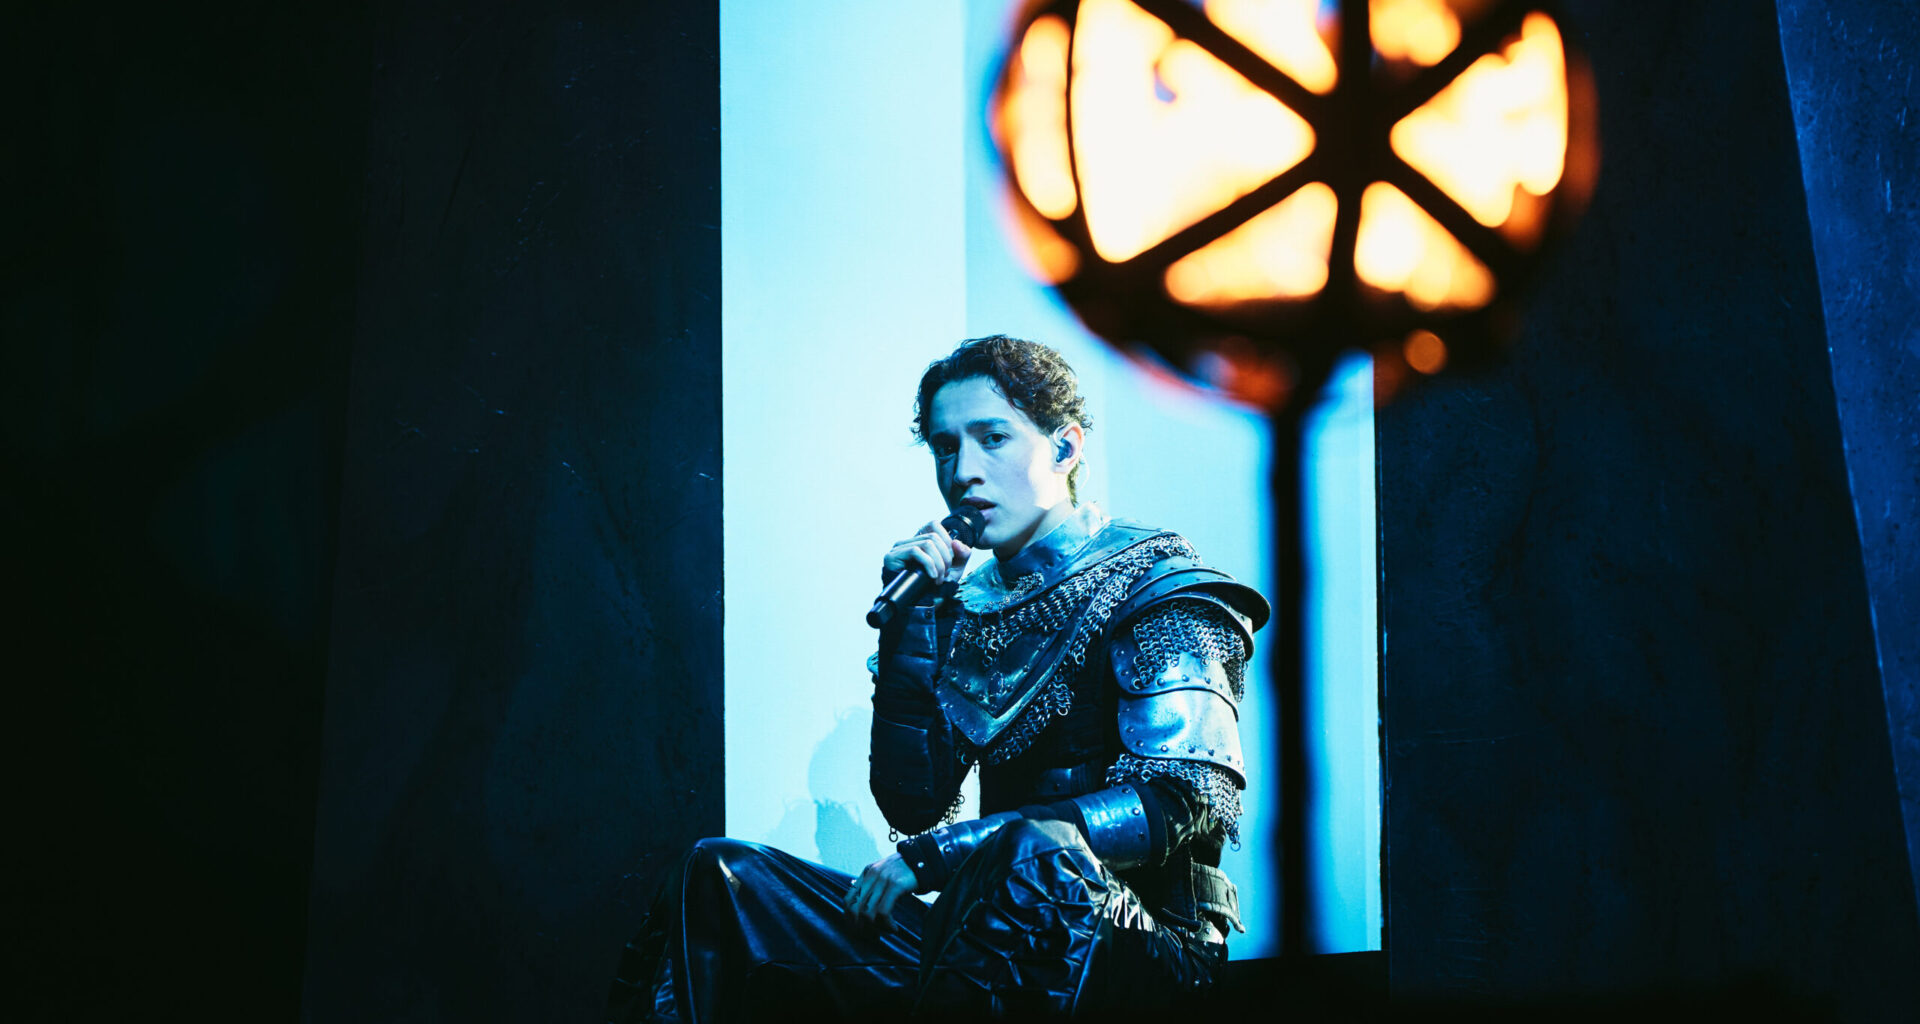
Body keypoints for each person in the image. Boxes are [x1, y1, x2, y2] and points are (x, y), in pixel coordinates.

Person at [607, 336, 1268, 1021]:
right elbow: (912, 804)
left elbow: (1180, 799)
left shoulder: (1154, 583)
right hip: (991, 939)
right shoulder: (967, 605)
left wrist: (938, 857)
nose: (964, 472)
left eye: (993, 439)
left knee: (1033, 853)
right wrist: (915, 620)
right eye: (946, 448)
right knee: (723, 877)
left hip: (1144, 948)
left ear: (1065, 448)